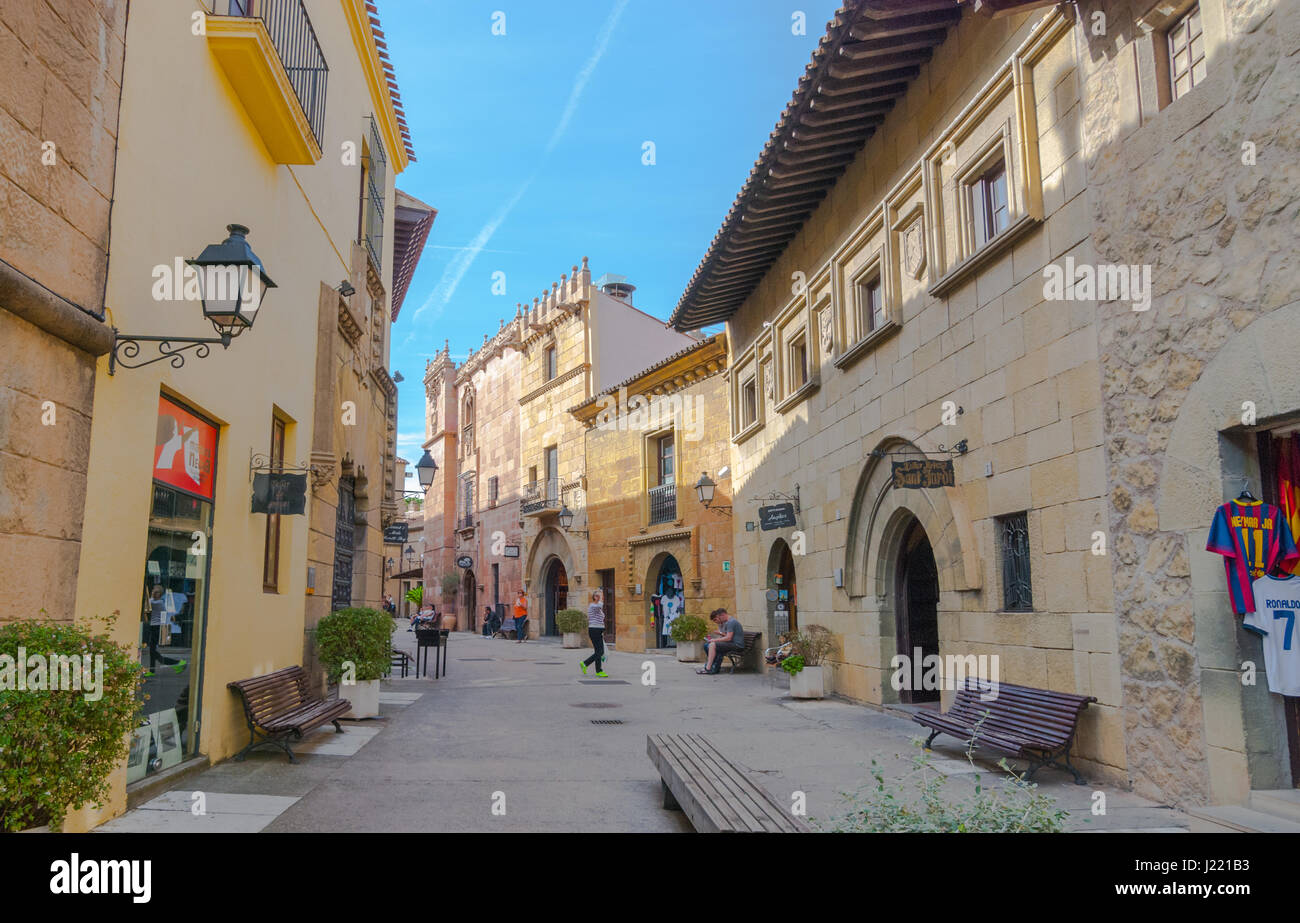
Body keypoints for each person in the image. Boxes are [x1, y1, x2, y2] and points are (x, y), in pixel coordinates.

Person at [142, 585, 187, 676]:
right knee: (152, 650)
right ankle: (152, 670)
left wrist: (149, 593)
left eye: (155, 591)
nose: (153, 592)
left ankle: (177, 662)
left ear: (159, 594)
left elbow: (147, 605)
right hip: (155, 627)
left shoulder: (158, 603)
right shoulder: (157, 602)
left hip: (157, 628)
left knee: (153, 651)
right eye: (153, 590)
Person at [698, 608, 744, 675]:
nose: (718, 621)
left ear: (722, 615)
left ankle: (708, 668)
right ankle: (713, 667)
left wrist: (714, 640)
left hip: (737, 645)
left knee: (713, 645)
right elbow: (728, 636)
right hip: (732, 643)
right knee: (708, 644)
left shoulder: (731, 622)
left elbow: (728, 638)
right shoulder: (728, 622)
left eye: (718, 618)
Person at [579, 589, 608, 677]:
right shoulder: (593, 606)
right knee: (600, 651)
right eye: (597, 596)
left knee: (598, 651)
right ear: (594, 597)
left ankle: (599, 671)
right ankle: (585, 663)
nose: (599, 597)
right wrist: (601, 596)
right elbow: (600, 605)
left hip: (598, 631)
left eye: (599, 596)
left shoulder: (597, 607)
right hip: (594, 630)